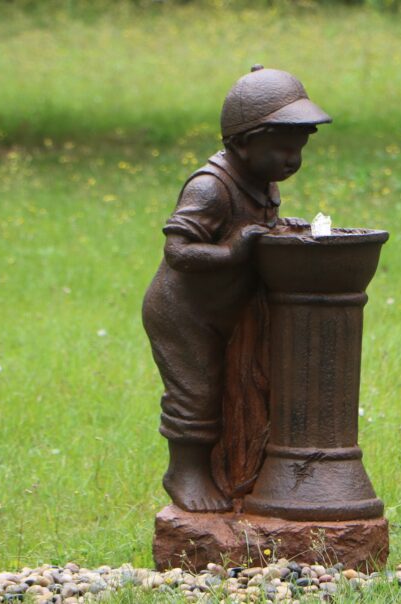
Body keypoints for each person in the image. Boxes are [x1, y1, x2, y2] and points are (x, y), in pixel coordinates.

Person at [142, 66, 331, 512]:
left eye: (299, 149)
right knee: (197, 392)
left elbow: (254, 229)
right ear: (243, 142)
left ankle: (234, 471)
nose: (293, 160)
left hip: (223, 310)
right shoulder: (210, 187)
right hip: (183, 313)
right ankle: (184, 472)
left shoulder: (261, 181)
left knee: (238, 389)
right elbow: (179, 252)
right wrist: (230, 253)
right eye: (283, 148)